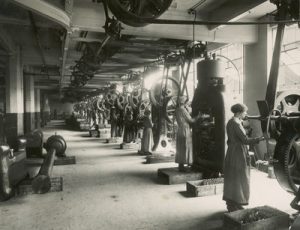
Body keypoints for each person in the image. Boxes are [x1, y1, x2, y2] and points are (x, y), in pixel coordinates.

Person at [223, 103, 264, 212]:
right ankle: (234, 204)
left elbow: (230, 140)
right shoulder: (236, 123)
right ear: (239, 112)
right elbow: (245, 140)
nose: (246, 114)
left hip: (232, 151)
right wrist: (260, 138)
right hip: (238, 153)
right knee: (240, 177)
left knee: (233, 177)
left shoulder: (231, 122)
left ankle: (234, 202)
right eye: (245, 111)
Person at [175, 96, 201, 172]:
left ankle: (180, 165)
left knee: (180, 148)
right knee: (186, 147)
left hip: (180, 130)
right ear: (184, 102)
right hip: (185, 130)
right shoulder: (183, 110)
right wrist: (199, 116)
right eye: (187, 102)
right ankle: (184, 166)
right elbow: (191, 120)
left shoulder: (177, 110)